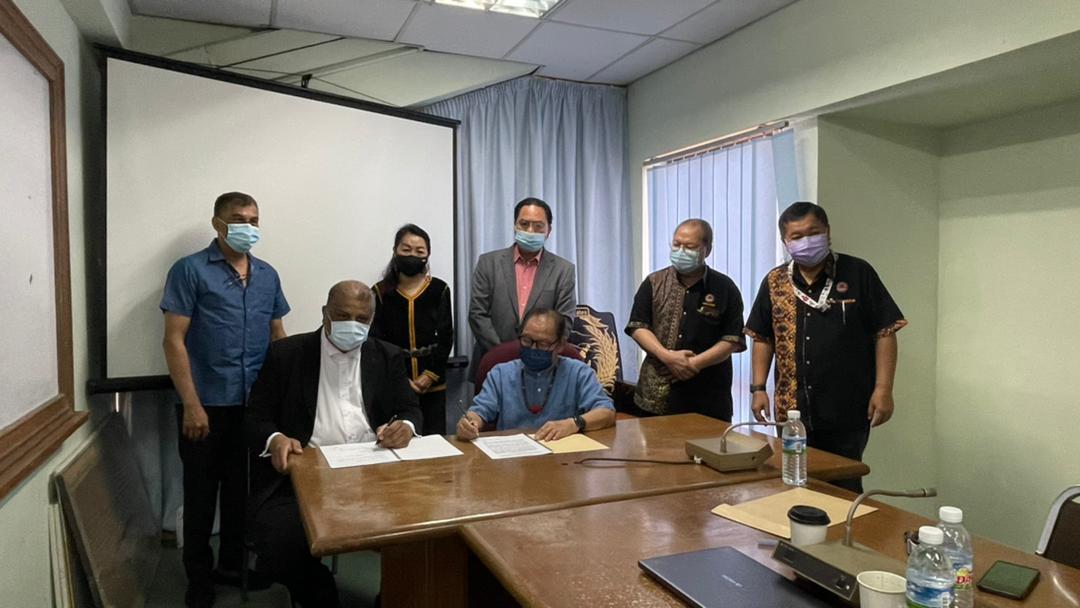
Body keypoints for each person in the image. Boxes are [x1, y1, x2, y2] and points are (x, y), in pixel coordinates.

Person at [245, 281, 421, 608]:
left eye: (362, 318)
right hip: (302, 476)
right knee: (279, 539)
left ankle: (395, 596)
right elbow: (256, 416)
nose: (352, 325)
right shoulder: (287, 354)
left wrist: (406, 427)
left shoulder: (387, 356)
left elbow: (410, 409)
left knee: (424, 528)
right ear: (325, 313)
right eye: (342, 315)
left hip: (375, 473)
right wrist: (276, 438)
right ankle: (319, 593)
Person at [160, 191, 289, 608]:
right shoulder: (190, 270)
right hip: (205, 405)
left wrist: (283, 400)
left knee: (242, 494)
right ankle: (199, 580)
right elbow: (174, 341)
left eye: (254, 219)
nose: (248, 227)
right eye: (238, 218)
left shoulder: (267, 274)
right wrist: (192, 405)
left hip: (251, 408)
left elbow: (278, 337)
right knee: (201, 499)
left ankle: (232, 565)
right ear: (217, 223)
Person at [744, 202, 906, 493]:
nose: (806, 241)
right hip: (791, 411)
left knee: (843, 485)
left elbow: (886, 331)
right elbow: (762, 337)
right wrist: (757, 389)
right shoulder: (775, 281)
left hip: (846, 408)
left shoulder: (858, 273)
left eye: (813, 232)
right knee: (793, 486)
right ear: (785, 241)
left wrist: (884, 389)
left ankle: (841, 537)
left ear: (828, 232)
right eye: (796, 236)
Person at [625, 219, 746, 421]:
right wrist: (667, 356)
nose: (681, 251)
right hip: (657, 393)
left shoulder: (725, 288)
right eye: (676, 244)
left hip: (709, 396)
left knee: (709, 449)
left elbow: (732, 339)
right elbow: (638, 327)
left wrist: (694, 364)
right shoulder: (654, 283)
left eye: (690, 247)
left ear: (707, 250)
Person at [456, 309, 615, 441]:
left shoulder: (578, 372)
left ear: (559, 345)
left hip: (563, 459)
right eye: (526, 340)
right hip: (511, 460)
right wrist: (469, 423)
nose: (532, 348)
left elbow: (606, 413)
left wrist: (574, 423)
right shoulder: (500, 373)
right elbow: (479, 411)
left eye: (542, 344)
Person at [468, 197, 576, 379]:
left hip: (543, 366)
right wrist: (502, 354)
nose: (530, 231)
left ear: (549, 230)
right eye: (524, 224)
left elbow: (564, 321)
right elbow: (477, 314)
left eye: (538, 226)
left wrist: (537, 353)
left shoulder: (563, 270)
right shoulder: (488, 263)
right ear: (515, 225)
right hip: (491, 362)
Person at [371, 224, 454, 435]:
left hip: (433, 383)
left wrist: (430, 375)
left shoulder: (439, 289)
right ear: (395, 252)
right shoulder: (380, 292)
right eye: (406, 250)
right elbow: (376, 341)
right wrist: (401, 379)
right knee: (396, 439)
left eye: (419, 251)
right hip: (395, 381)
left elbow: (446, 337)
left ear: (428, 255)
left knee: (434, 442)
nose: (412, 255)